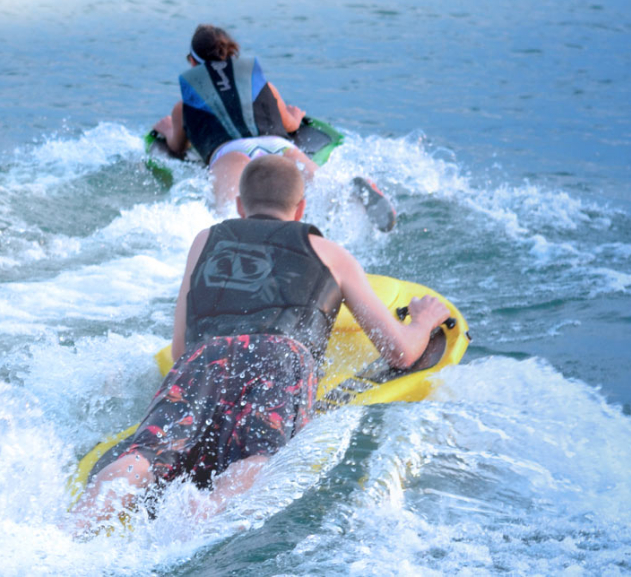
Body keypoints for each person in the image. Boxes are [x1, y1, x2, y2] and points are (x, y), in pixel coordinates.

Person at [71, 156, 449, 530]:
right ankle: (205, 512)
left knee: (148, 453)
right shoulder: (329, 253)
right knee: (260, 455)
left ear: (239, 204)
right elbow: (400, 352)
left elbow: (180, 345)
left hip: (205, 356)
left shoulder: (206, 240)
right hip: (279, 358)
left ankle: (75, 524)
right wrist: (423, 321)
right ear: (301, 208)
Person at [152, 24, 321, 210]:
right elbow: (289, 125)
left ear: (192, 62)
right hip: (277, 145)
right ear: (232, 55)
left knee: (229, 214)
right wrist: (295, 117)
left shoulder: (184, 106)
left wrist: (168, 129)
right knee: (327, 192)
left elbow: (177, 147)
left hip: (230, 153)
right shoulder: (266, 87)